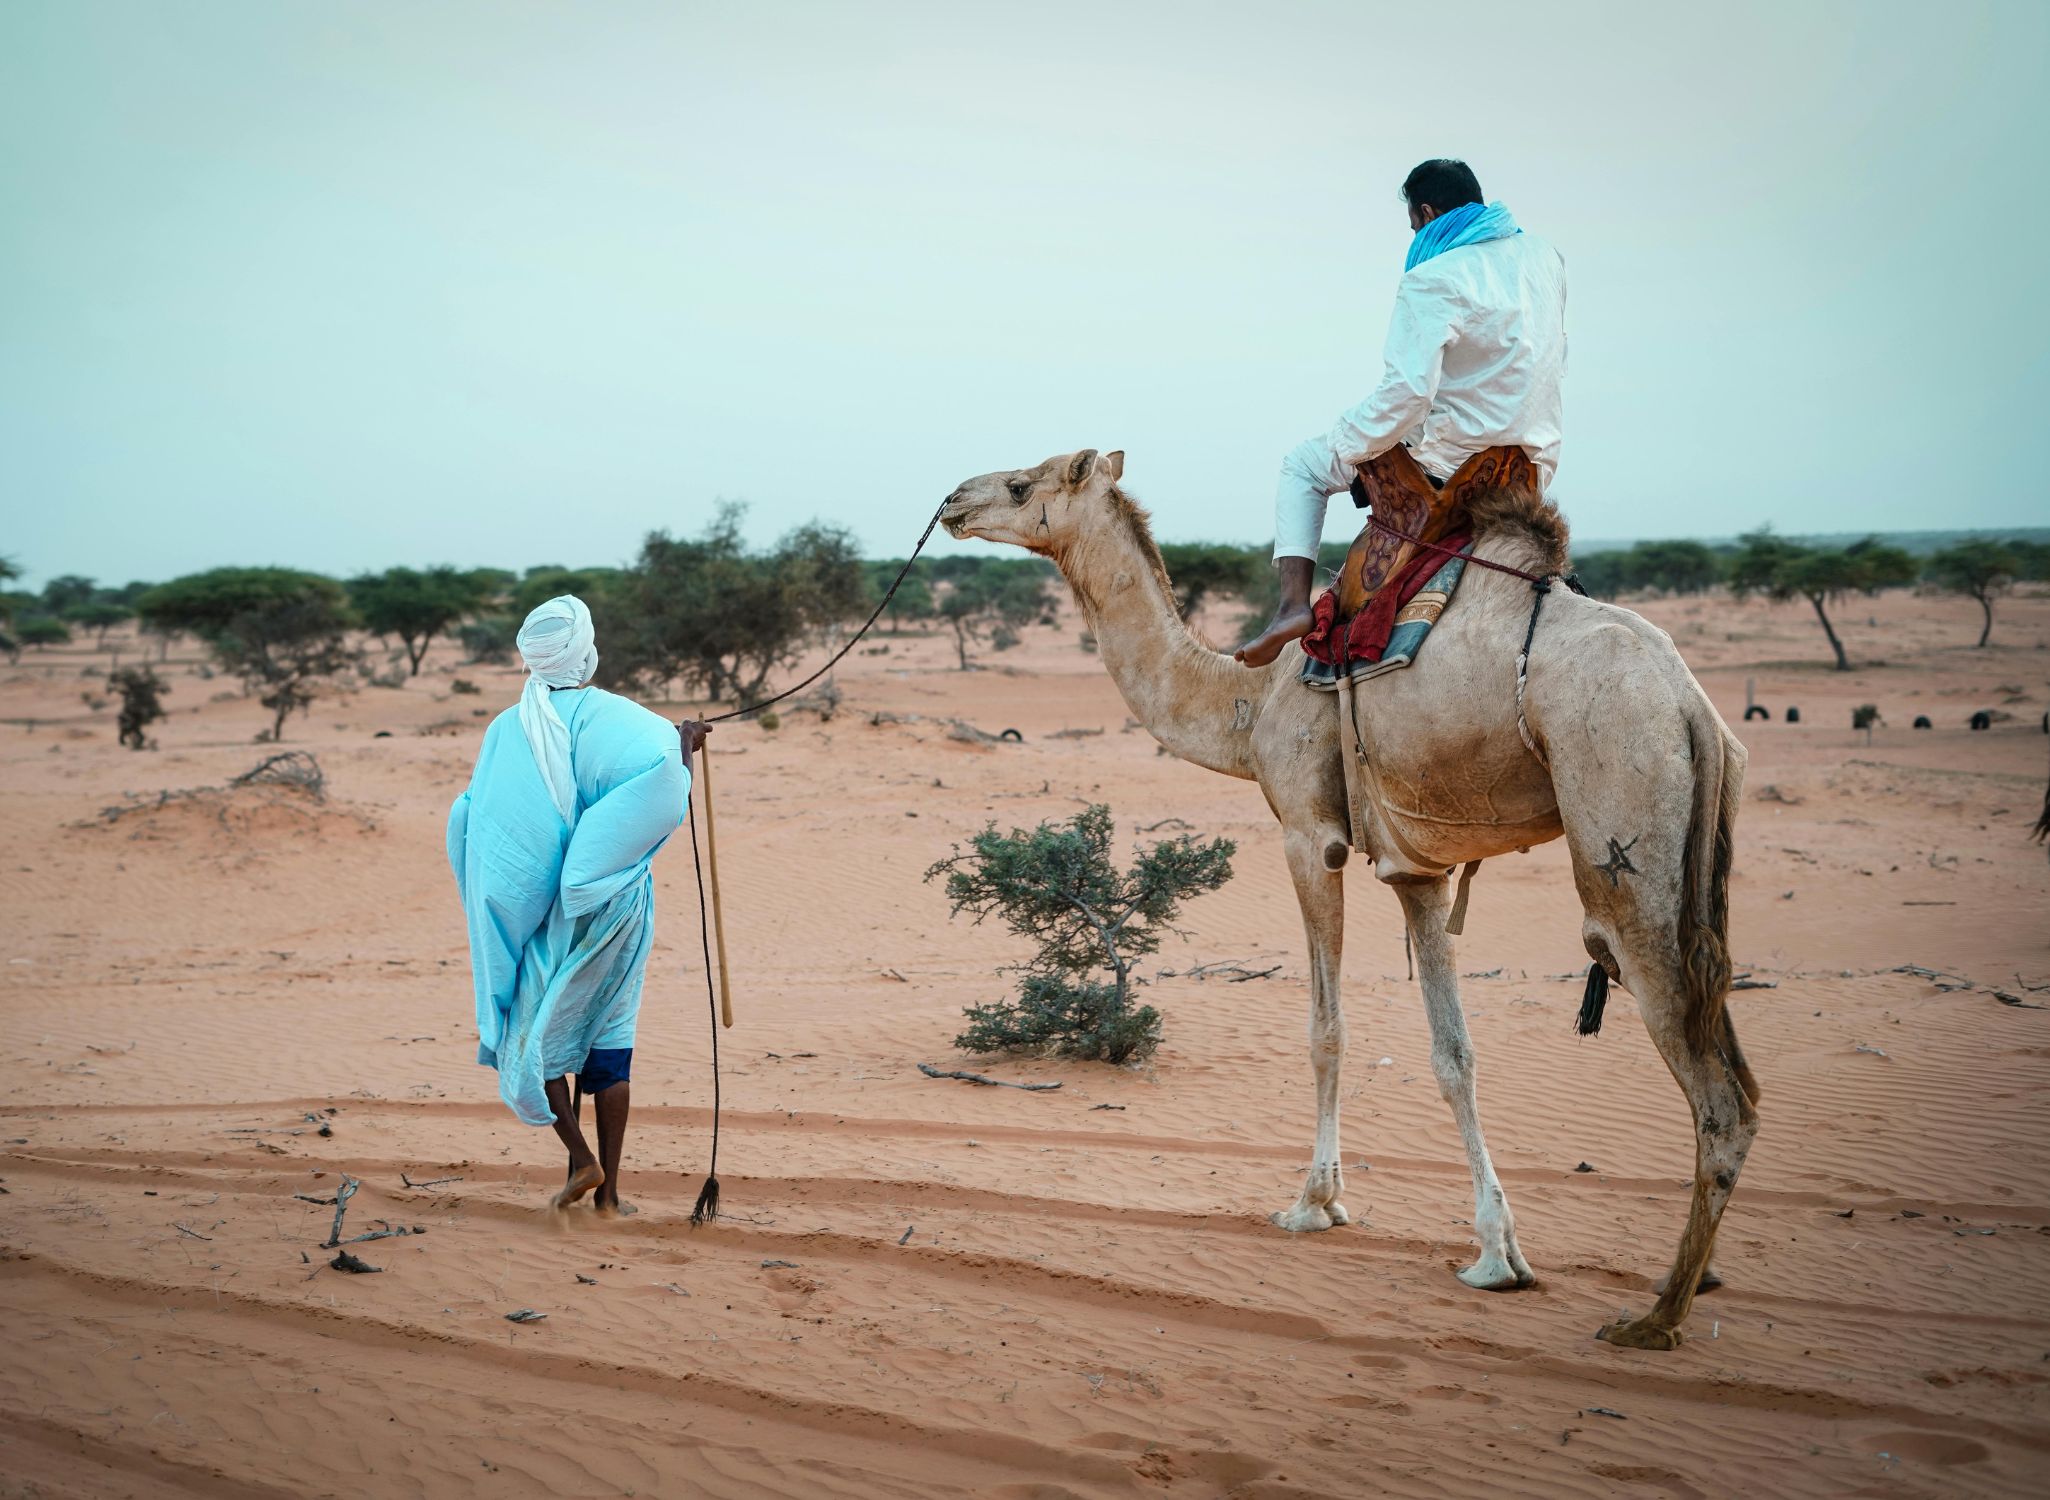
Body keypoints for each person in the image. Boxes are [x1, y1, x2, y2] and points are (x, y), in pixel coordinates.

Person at [1236, 159, 1567, 666]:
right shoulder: (1545, 257)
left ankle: (1290, 609)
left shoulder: (1432, 278)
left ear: (1427, 213)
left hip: (1448, 466)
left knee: (1303, 465)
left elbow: (1409, 394)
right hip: (1529, 468)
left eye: (1414, 223)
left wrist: (1352, 445)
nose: (1414, 233)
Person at [446, 595, 712, 1212]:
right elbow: (660, 778)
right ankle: (610, 1196)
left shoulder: (507, 728)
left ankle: (580, 1160)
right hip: (616, 904)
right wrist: (684, 749)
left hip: (547, 911)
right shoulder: (628, 720)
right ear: (586, 650)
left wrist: (536, 883)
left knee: (539, 1026)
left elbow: (476, 817)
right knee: (610, 1036)